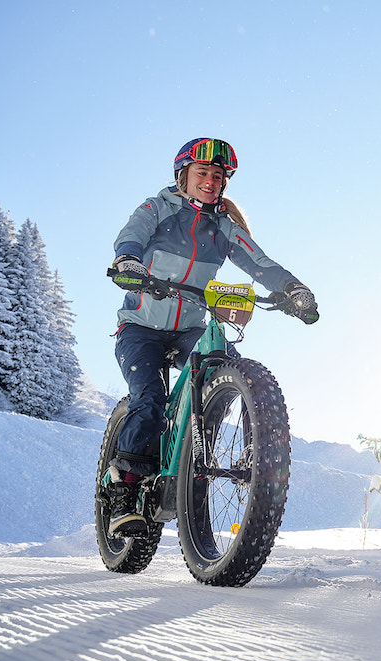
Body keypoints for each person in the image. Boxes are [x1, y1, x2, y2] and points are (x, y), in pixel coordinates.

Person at [106, 137, 318, 536]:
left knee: (223, 361)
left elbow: (260, 262)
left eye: (218, 176)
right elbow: (131, 237)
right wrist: (128, 261)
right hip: (140, 328)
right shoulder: (157, 208)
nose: (210, 181)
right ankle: (123, 495)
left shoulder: (223, 228)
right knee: (149, 400)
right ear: (183, 175)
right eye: (203, 173)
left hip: (189, 327)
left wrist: (293, 289)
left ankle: (196, 453)